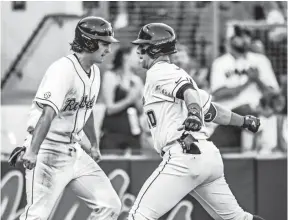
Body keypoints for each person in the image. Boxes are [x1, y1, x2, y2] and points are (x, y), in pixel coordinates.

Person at [128, 23, 265, 220]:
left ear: (155, 48)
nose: (138, 50)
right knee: (238, 218)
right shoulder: (173, 74)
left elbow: (190, 93)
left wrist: (193, 112)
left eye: (143, 45)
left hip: (183, 156)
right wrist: (243, 121)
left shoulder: (159, 71)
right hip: (207, 157)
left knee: (138, 216)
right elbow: (211, 110)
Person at [11, 16, 122, 220]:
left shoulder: (95, 72)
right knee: (36, 217)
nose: (108, 49)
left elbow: (85, 110)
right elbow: (47, 113)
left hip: (74, 150)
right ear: (89, 42)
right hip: (48, 151)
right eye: (104, 43)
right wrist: (33, 151)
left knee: (110, 205)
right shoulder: (62, 69)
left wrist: (94, 145)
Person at [209, 25, 279, 150]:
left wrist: (257, 80)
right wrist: (248, 82)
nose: (245, 39)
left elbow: (273, 93)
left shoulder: (261, 60)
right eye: (240, 36)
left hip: (258, 113)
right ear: (230, 39)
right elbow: (218, 93)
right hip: (230, 117)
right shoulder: (220, 63)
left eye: (247, 36)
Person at [101, 46, 143, 154]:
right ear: (126, 56)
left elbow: (141, 109)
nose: (140, 59)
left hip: (133, 131)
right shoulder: (111, 76)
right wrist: (128, 100)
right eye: (137, 55)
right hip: (113, 132)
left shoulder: (137, 80)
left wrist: (138, 98)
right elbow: (110, 108)